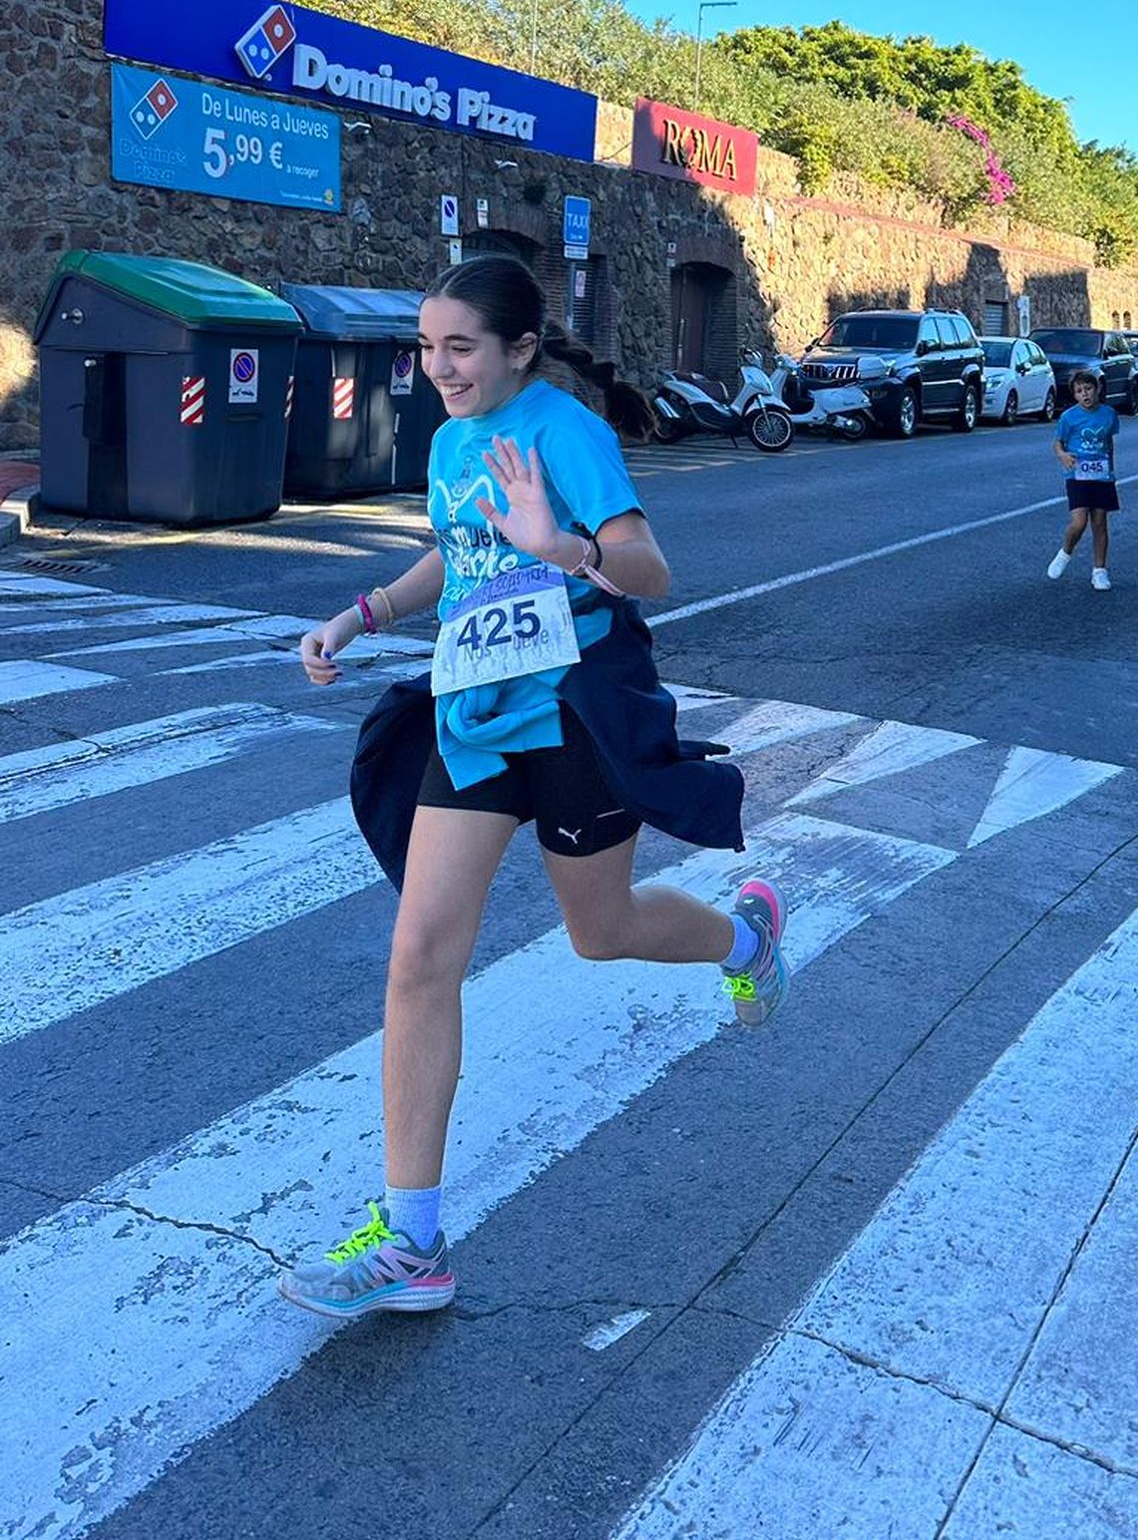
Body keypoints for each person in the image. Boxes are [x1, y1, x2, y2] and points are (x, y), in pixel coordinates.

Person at [281, 257, 783, 1321]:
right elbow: (451, 559)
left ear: (519, 346)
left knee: (598, 931)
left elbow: (649, 568)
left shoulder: (566, 432)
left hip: (571, 714)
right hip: (472, 711)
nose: (438, 368)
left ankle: (745, 941)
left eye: (459, 347)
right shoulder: (454, 439)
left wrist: (565, 545)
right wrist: (359, 613)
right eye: (427, 347)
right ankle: (412, 1239)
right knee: (420, 955)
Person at [1048, 370, 1120, 589]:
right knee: (1079, 522)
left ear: (1097, 389)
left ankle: (1099, 571)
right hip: (1077, 473)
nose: (1084, 394)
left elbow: (1109, 444)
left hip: (1101, 473)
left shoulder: (1109, 414)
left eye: (1088, 389)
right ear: (1075, 395)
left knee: (1099, 523)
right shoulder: (1069, 417)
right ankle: (1065, 552)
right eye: (1079, 391)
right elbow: (1057, 443)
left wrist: (1111, 473)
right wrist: (1062, 455)